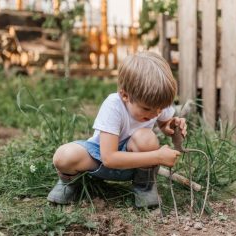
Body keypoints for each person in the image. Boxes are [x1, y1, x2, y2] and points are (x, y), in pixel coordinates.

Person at [47, 51, 187, 207]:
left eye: (160, 109)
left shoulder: (155, 104)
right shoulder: (114, 105)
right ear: (125, 95)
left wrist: (170, 126)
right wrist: (158, 157)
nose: (155, 114)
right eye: (147, 109)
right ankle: (71, 184)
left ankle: (144, 187)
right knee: (63, 156)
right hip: (100, 158)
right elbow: (109, 158)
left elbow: (163, 123)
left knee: (146, 138)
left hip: (135, 164)